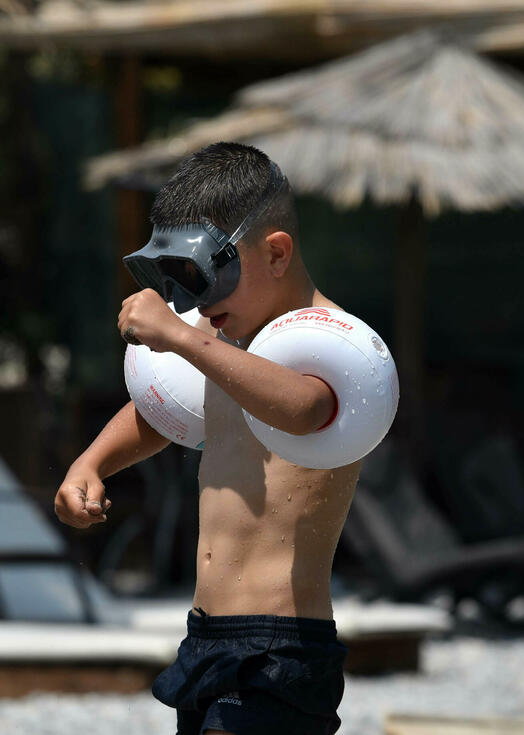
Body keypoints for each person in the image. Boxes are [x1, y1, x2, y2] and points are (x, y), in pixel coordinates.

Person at [54, 142, 356, 735]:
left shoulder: (337, 344)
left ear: (274, 253)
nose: (194, 302)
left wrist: (185, 340)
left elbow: (305, 410)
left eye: (204, 275)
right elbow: (162, 411)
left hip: (281, 644)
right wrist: (89, 464)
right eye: (176, 279)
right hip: (207, 634)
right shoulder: (225, 346)